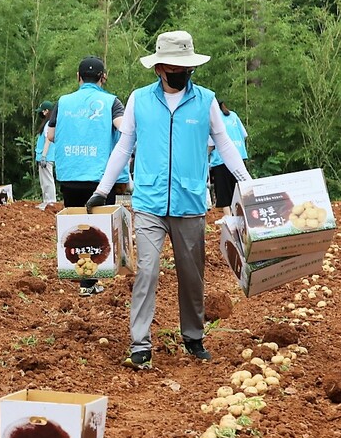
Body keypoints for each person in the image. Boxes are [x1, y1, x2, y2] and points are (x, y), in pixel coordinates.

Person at [86, 31, 252, 370]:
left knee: (192, 275)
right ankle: (140, 344)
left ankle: (193, 336)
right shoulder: (139, 100)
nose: (182, 72)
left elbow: (225, 144)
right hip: (149, 200)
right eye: (176, 67)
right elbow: (124, 146)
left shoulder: (205, 100)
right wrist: (103, 188)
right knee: (146, 270)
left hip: (189, 201)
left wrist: (248, 184)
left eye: (186, 67)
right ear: (160, 68)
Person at [47, 56, 129, 296]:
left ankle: (85, 279)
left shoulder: (62, 102)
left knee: (78, 226)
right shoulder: (111, 102)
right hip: (101, 178)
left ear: (78, 76)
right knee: (98, 228)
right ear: (103, 77)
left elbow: (50, 135)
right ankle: (91, 280)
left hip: (70, 174)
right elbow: (124, 128)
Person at [207, 100, 248, 214]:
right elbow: (244, 135)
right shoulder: (233, 115)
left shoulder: (214, 118)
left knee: (225, 195)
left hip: (221, 160)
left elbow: (211, 145)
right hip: (239, 158)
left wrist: (203, 157)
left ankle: (230, 221)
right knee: (242, 192)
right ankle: (245, 217)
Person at [34, 100, 56, 210]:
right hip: (44, 156)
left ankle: (50, 202)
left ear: (46, 111)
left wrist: (44, 156)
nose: (41, 114)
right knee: (44, 181)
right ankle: (46, 201)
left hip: (46, 157)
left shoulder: (49, 124)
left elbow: (48, 140)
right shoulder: (48, 123)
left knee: (48, 180)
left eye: (42, 111)